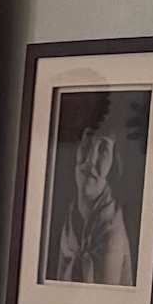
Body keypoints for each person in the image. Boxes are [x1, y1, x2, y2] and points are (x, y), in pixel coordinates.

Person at [42, 103, 139, 285]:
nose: (90, 160)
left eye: (103, 149)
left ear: (114, 162)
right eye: (87, 143)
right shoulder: (72, 217)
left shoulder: (111, 234)